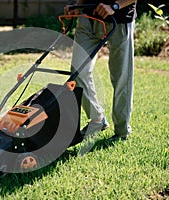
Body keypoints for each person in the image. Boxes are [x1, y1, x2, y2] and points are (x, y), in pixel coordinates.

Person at [64, 0, 137, 141]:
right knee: (78, 70)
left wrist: (114, 6)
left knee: (121, 75)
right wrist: (77, 5)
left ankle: (122, 132)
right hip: (88, 19)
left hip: (119, 19)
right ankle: (97, 120)